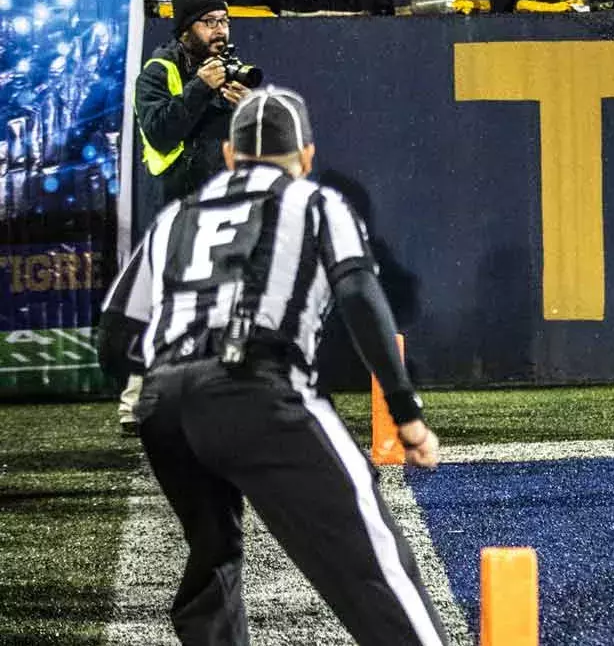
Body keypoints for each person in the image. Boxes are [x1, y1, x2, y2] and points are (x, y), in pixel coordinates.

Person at [94, 86, 448, 645]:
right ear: (306, 157)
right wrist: (405, 409)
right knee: (370, 557)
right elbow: (358, 291)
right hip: (256, 386)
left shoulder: (175, 220)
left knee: (213, 559)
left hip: (165, 404)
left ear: (231, 156)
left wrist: (162, 383)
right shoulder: (314, 202)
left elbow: (114, 335)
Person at [122, 0, 252, 436]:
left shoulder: (231, 72)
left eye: (225, 22)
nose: (220, 31)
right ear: (186, 30)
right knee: (165, 304)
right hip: (176, 204)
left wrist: (247, 110)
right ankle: (140, 398)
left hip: (224, 205)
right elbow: (160, 133)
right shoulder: (158, 72)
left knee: (228, 302)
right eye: (210, 22)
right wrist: (201, 88)